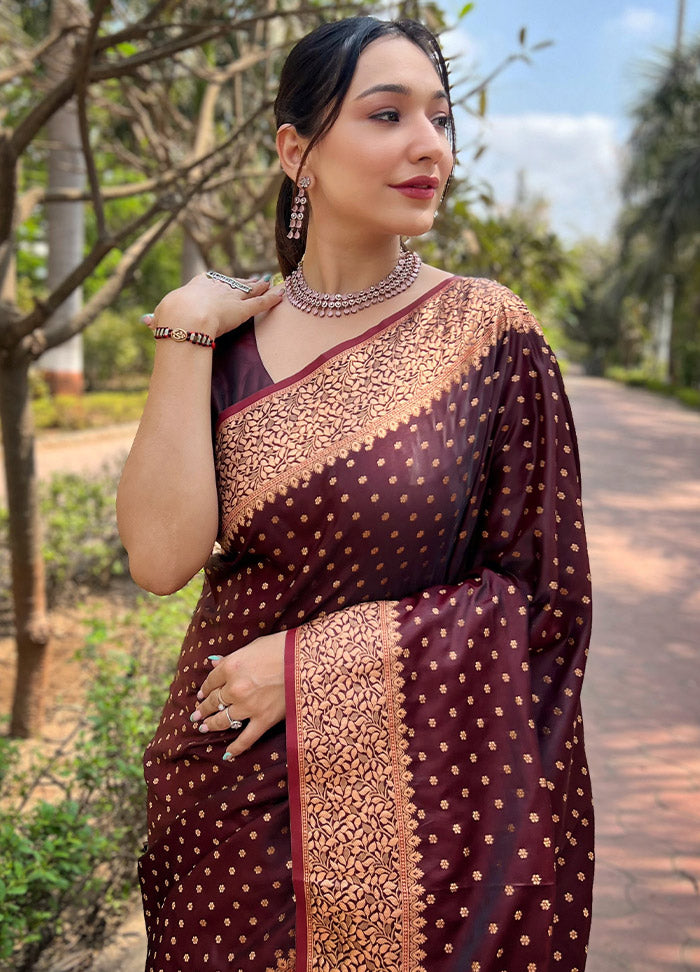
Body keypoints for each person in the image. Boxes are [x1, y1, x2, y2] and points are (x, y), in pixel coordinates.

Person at [117, 16, 594, 972]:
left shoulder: (486, 336)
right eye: (387, 115)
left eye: (441, 119)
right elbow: (162, 562)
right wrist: (180, 336)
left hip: (429, 824)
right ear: (298, 151)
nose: (429, 146)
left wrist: (312, 666)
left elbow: (543, 602)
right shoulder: (224, 340)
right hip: (227, 804)